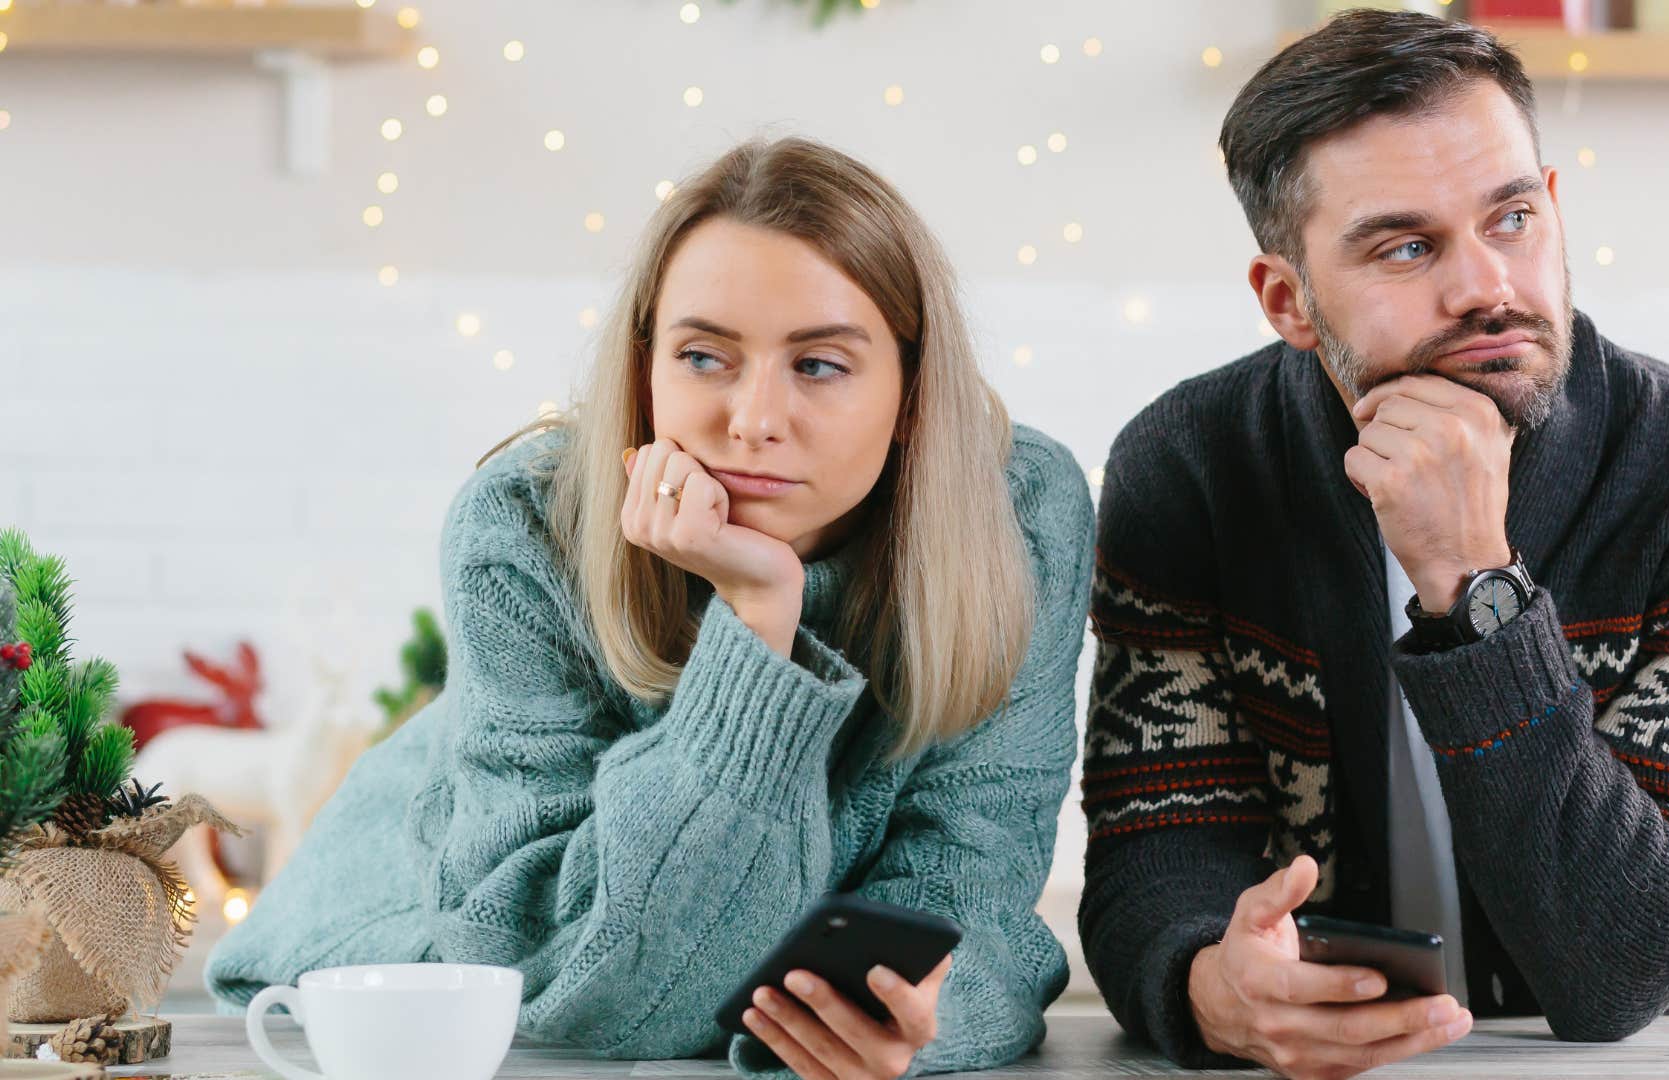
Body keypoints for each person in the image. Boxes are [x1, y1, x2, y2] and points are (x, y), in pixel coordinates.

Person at [207, 136, 1095, 1080]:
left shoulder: (1020, 513)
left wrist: (909, 1019)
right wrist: (758, 614)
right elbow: (606, 985)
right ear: (644, 371)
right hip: (451, 935)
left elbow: (978, 887)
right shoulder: (522, 525)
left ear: (913, 394)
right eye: (705, 356)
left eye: (821, 366)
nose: (752, 419)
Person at [1078, 11, 1669, 1078]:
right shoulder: (1193, 468)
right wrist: (1210, 986)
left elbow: (1625, 971)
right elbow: (1154, 856)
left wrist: (1473, 583)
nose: (1486, 286)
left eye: (1512, 218)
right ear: (1287, 299)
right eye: (1406, 246)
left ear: (1555, 209)